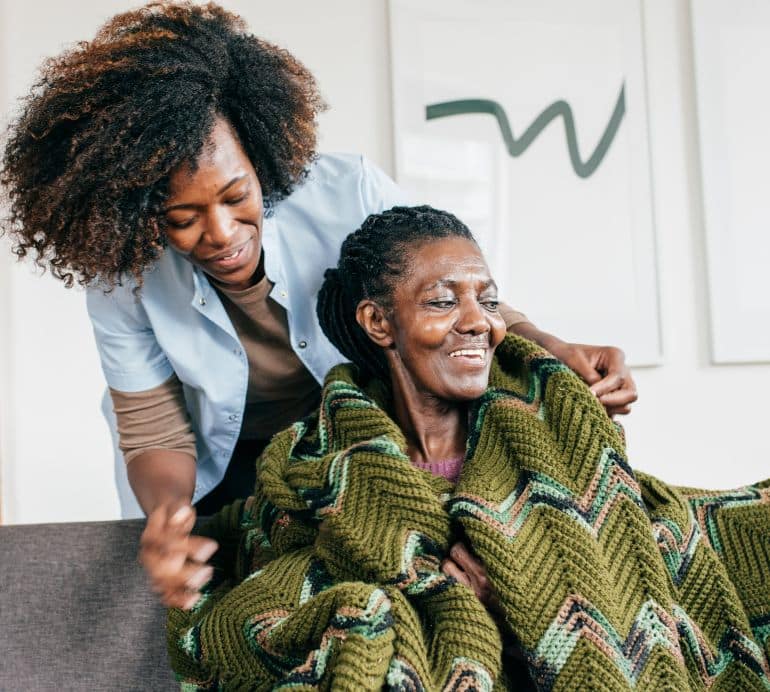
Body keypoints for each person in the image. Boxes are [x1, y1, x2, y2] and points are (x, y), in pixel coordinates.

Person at [0, 3, 634, 593]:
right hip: (233, 462)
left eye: (234, 196)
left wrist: (551, 346)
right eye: (181, 217)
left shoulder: (346, 193)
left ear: (259, 154)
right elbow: (152, 428)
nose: (220, 234)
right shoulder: (124, 271)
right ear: (139, 213)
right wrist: (169, 517)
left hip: (355, 434)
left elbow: (448, 290)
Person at [165, 206, 770, 691]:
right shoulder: (322, 469)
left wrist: (514, 595)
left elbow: (628, 542)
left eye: (486, 297)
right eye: (442, 300)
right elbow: (274, 573)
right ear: (379, 323)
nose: (477, 320)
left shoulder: (551, 428)